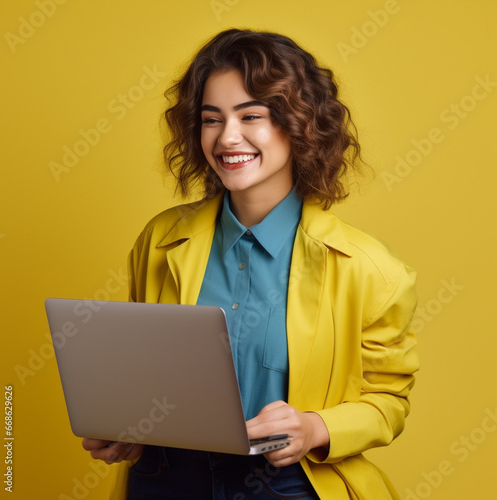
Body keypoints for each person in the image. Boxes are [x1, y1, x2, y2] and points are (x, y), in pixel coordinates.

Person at [82, 29, 419, 499]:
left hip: (288, 482)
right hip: (165, 479)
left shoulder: (370, 270)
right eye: (211, 119)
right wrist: (127, 424)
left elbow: (389, 402)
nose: (227, 137)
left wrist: (314, 427)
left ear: (298, 124)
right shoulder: (160, 240)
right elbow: (149, 374)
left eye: (251, 115)